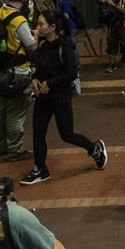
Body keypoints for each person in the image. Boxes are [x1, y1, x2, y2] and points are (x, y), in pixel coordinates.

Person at [19, 11, 106, 185]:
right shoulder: (42, 45)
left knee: (67, 134)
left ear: (53, 27)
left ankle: (94, 148)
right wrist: (35, 79)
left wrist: (50, 84)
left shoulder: (66, 47)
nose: (38, 27)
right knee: (38, 133)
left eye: (42, 24)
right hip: (43, 98)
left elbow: (71, 73)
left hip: (60, 98)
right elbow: (37, 66)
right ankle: (40, 169)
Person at [0, 0, 38, 162]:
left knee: (1, 110)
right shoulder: (19, 20)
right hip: (18, 72)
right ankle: (15, 149)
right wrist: (36, 34)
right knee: (16, 111)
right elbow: (32, 46)